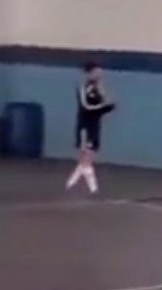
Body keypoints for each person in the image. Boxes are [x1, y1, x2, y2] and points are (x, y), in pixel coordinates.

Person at [66, 62, 115, 194]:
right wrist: (104, 107)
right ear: (90, 73)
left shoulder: (98, 87)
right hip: (85, 124)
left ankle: (76, 180)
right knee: (86, 152)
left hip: (95, 124)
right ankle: (89, 185)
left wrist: (108, 106)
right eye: (97, 72)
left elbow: (103, 104)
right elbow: (86, 106)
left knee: (91, 152)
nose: (99, 74)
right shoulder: (83, 87)